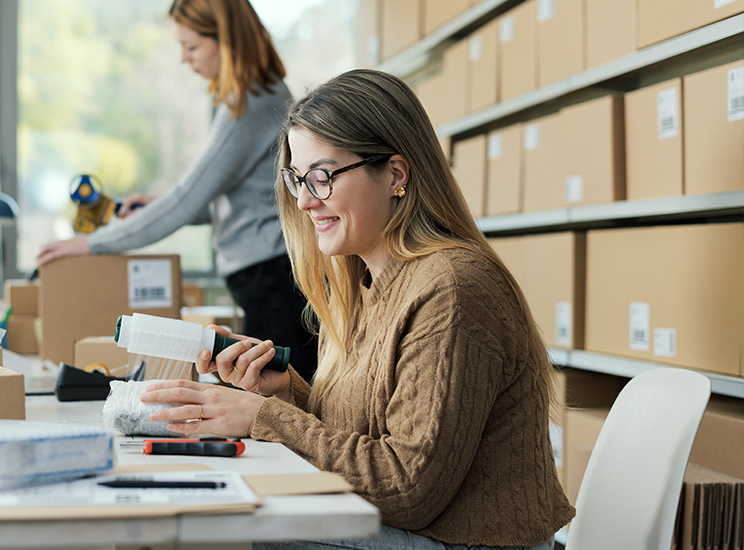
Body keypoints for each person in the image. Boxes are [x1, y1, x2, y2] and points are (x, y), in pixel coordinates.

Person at [138, 69, 575, 549]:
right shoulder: (362, 284)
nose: (304, 200)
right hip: (421, 530)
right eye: (297, 178)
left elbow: (407, 488)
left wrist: (262, 417)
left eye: (322, 177)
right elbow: (363, 440)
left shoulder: (452, 289)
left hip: (467, 540)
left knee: (220, 531)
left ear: (395, 174)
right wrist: (285, 395)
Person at [36, 0, 317, 380]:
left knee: (276, 395)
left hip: (272, 279)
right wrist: (156, 205)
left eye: (191, 46)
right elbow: (238, 197)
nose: (184, 59)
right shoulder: (253, 96)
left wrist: (92, 243)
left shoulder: (248, 101)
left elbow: (188, 198)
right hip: (268, 274)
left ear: (227, 40)